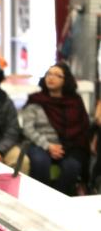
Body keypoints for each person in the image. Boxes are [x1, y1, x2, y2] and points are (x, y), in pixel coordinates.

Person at [22, 62, 90, 196]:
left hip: (69, 145)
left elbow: (83, 126)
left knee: (72, 166)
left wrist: (63, 146)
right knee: (41, 162)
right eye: (49, 74)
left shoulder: (74, 101)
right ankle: (40, 198)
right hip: (40, 144)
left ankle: (59, 199)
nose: (51, 78)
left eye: (57, 75)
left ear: (66, 81)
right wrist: (48, 146)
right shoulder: (36, 100)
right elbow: (28, 129)